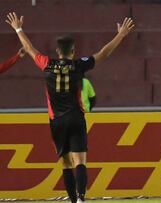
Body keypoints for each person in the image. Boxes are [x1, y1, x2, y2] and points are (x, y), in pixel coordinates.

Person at [6, 12, 134, 203]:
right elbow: (103, 53)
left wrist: (18, 28)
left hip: (56, 121)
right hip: (76, 118)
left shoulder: (47, 64)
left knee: (66, 164)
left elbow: (29, 48)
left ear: (58, 52)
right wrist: (121, 35)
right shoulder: (78, 66)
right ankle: (81, 199)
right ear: (73, 51)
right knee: (80, 162)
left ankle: (72, 199)